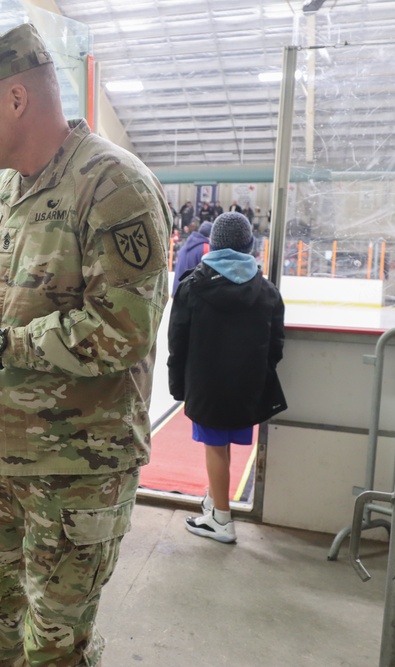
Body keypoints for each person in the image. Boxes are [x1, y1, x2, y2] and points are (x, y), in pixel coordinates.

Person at [0, 24, 171, 667]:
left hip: (76, 475)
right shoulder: (4, 194)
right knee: (0, 625)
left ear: (15, 99)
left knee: (54, 649)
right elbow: (3, 300)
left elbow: (124, 330)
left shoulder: (114, 186)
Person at [167, 212, 286, 544]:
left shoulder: (192, 286)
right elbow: (276, 344)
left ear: (213, 244)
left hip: (207, 385)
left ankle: (221, 519)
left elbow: (177, 342)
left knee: (214, 446)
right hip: (247, 386)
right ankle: (215, 500)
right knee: (223, 443)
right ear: (249, 244)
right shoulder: (266, 291)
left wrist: (179, 385)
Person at [171, 220, 212, 296]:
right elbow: (208, 273)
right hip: (191, 296)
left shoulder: (185, 246)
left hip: (178, 293)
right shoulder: (205, 247)